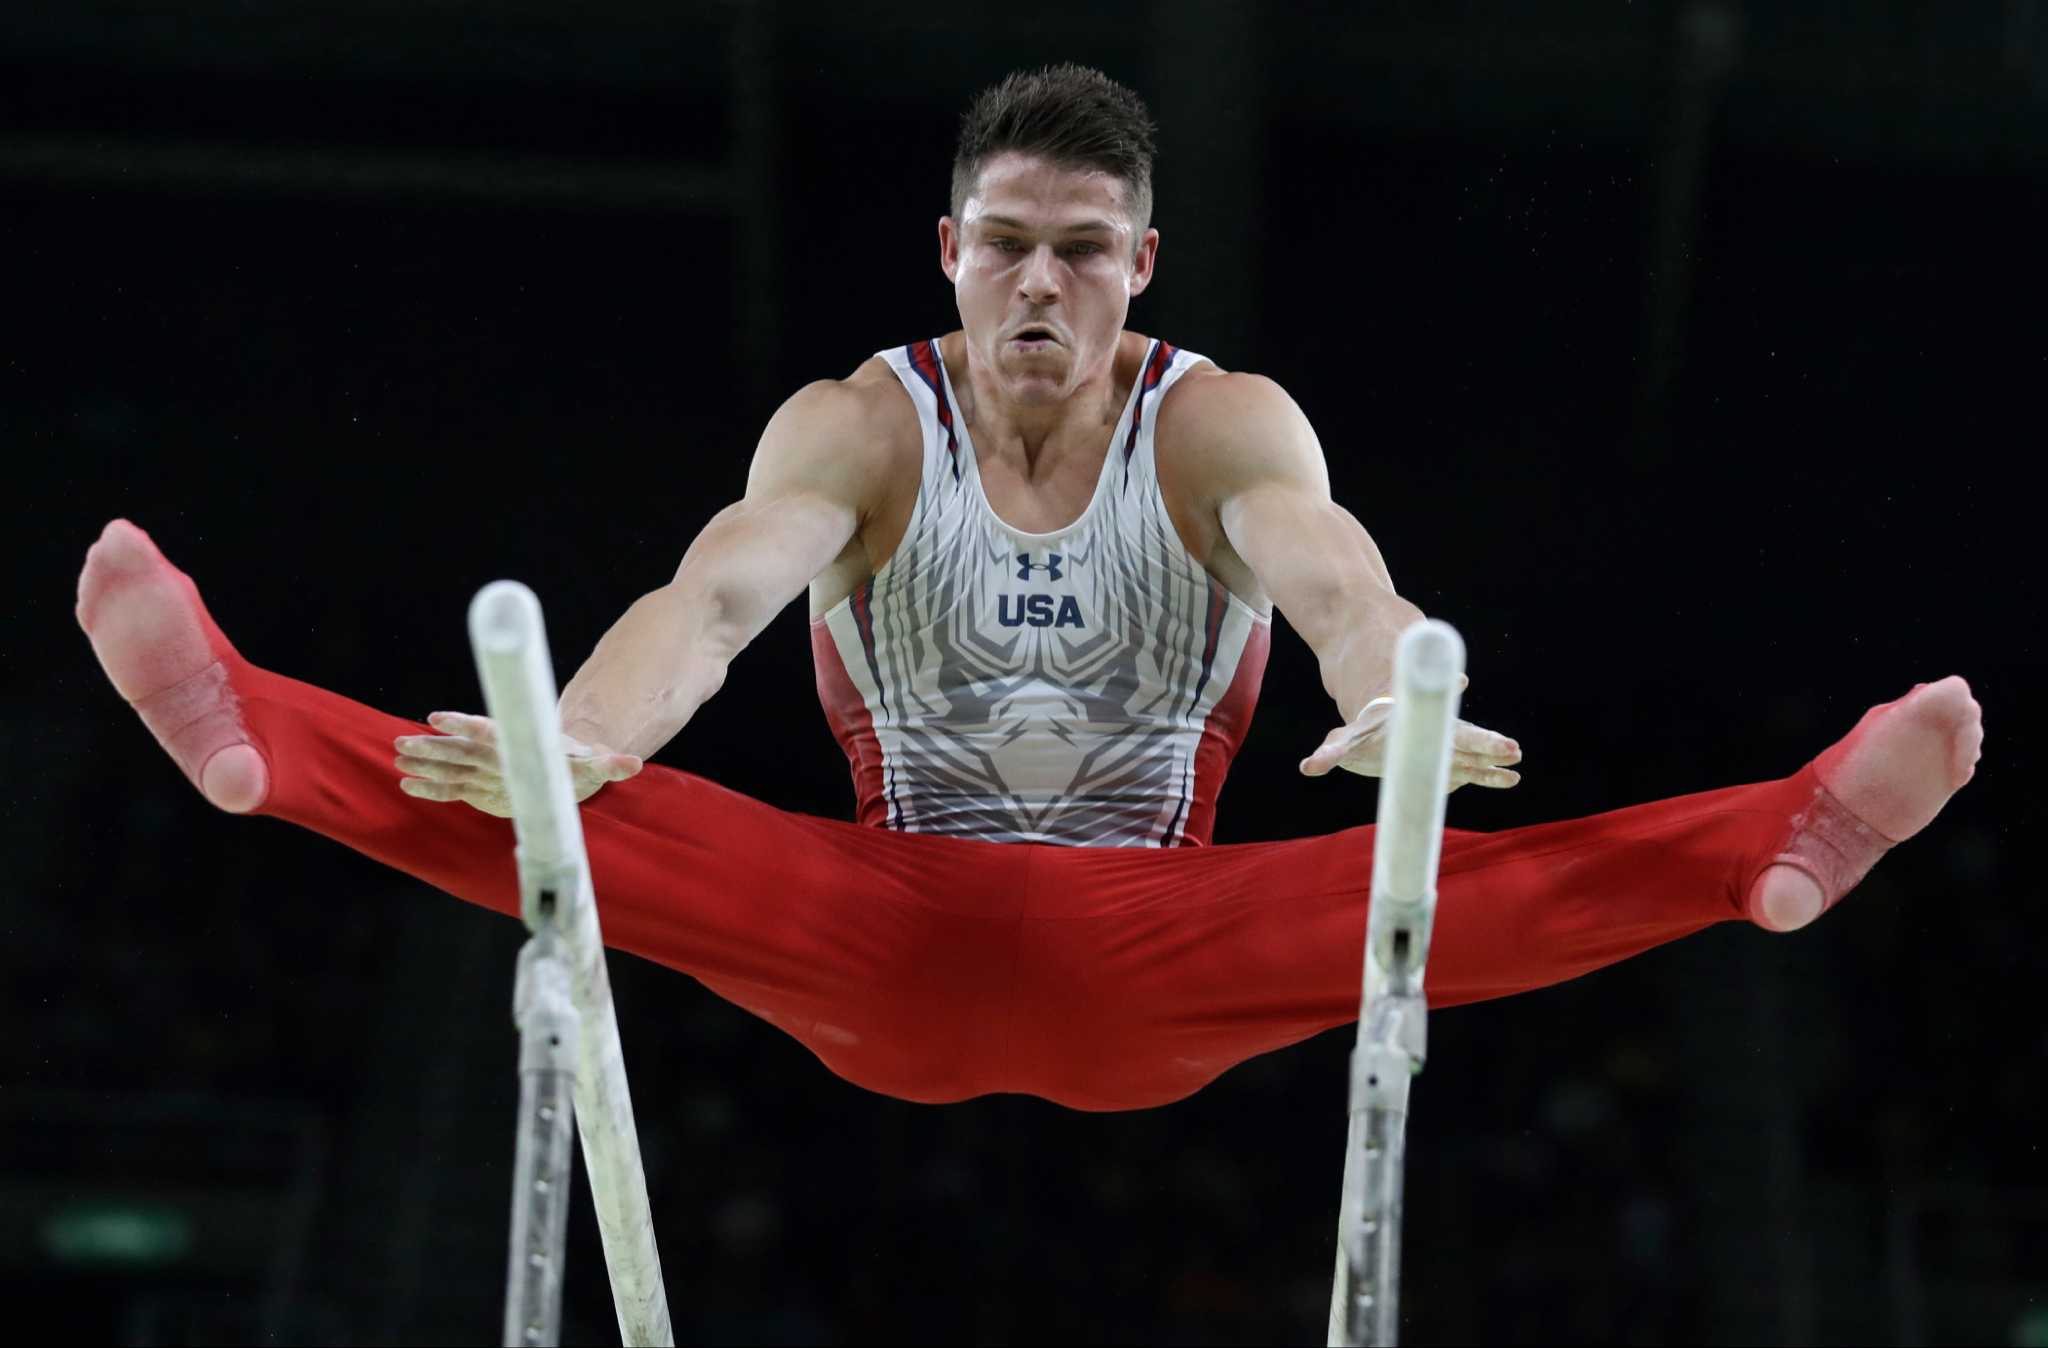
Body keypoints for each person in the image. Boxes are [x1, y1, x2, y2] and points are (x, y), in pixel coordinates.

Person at [76, 65, 1981, 1112]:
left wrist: (1388, 690)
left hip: (1156, 939)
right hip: (883, 933)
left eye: (1083, 250)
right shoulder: (859, 427)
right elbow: (720, 595)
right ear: (952, 248)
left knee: (1430, 888)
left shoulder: (1221, 424)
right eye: (1007, 246)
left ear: (1143, 261)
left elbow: (1333, 569)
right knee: (592, 814)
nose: (1042, 286)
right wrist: (580, 732)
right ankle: (255, 731)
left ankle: (1788, 835)